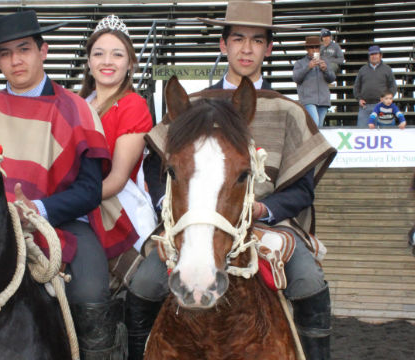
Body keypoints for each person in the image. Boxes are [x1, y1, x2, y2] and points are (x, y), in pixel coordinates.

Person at [144, 2, 336, 359]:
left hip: (271, 222)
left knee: (310, 281)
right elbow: (156, 171)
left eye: (257, 40)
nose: (247, 49)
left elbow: (303, 189)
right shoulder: (192, 106)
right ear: (223, 45)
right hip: (194, 221)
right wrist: (170, 211)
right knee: (142, 284)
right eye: (238, 39)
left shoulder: (287, 111)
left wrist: (266, 206)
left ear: (269, 48)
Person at [0, 10, 126, 358]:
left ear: (44, 51)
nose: (15, 60)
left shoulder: (76, 109)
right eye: (5, 53)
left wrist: (37, 209)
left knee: (91, 293)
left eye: (23, 49)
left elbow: (88, 192)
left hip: (62, 223)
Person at [77, 15, 156, 359]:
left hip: (117, 209)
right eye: (99, 53)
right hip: (78, 206)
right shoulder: (74, 105)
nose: (107, 62)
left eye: (117, 54)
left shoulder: (134, 106)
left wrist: (64, 204)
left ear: (130, 63)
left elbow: (118, 178)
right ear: (89, 61)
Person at [293, 36, 336, 127]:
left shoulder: (325, 62)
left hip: (323, 100)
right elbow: (296, 78)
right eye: (311, 47)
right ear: (306, 49)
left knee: (318, 128)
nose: (314, 49)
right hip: (308, 100)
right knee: (314, 125)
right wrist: (308, 67)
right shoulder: (300, 63)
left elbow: (332, 78)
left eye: (316, 47)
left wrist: (325, 69)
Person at [353, 45, 397, 128]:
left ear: (380, 55)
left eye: (376, 54)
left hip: (383, 106)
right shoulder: (362, 70)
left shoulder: (387, 69)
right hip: (365, 106)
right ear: (369, 56)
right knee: (363, 132)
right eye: (371, 54)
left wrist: (387, 99)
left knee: (386, 131)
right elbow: (356, 87)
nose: (374, 56)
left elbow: (393, 86)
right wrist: (359, 99)